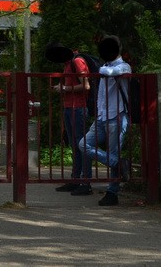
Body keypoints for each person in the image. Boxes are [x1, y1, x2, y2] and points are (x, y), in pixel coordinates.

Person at [81, 34, 132, 207]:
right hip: (102, 117)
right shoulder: (104, 66)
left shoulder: (124, 67)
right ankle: (118, 164)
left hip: (117, 116)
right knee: (83, 144)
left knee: (113, 151)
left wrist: (96, 67)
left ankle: (112, 193)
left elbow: (110, 72)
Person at [44, 41, 93, 195]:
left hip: (78, 108)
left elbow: (86, 86)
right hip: (69, 108)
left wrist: (64, 88)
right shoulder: (67, 63)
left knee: (81, 144)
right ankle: (75, 179)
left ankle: (85, 182)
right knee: (74, 145)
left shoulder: (77, 61)